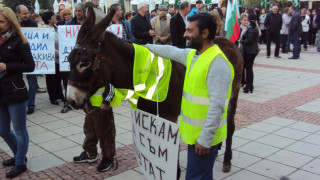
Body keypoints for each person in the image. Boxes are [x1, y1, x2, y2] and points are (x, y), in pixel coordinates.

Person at [145, 13, 233, 179]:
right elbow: (171, 51)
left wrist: (206, 139)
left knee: (195, 177)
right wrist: (144, 47)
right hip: (195, 135)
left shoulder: (217, 63)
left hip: (205, 138)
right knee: (202, 175)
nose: (185, 34)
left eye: (189, 31)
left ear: (205, 33)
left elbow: (217, 105)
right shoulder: (194, 55)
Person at [0, 7, 35, 178]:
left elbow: (30, 66)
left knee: (19, 129)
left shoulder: (19, 40)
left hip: (15, 89)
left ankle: (20, 162)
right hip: (1, 91)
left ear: (10, 21)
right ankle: (19, 154)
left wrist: (8, 66)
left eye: (1, 22)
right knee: (3, 130)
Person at [73, 84, 116, 172]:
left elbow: (111, 83)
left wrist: (106, 100)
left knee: (105, 133)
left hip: (101, 105)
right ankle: (90, 153)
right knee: (89, 129)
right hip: (90, 103)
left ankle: (108, 158)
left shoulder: (105, 69)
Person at [240, 14, 259, 93]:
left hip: (250, 51)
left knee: (248, 69)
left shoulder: (252, 28)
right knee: (249, 68)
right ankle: (249, 85)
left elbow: (250, 40)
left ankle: (249, 85)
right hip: (250, 50)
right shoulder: (252, 27)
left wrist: (242, 41)